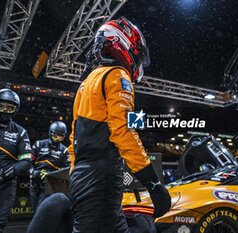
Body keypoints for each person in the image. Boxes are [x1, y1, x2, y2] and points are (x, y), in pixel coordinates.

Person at [68, 17, 171, 233]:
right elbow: (123, 132)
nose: (138, 60)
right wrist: (153, 183)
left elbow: (73, 141)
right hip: (101, 178)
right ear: (123, 43)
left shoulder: (86, 82)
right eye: (138, 53)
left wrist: (76, 175)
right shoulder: (117, 75)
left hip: (82, 177)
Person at [0, 88, 32, 233]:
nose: (5, 111)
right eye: (1, 106)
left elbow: (26, 161)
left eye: (10, 107)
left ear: (15, 110)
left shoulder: (20, 132)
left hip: (4, 186)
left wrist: (3, 173)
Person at [30, 121, 69, 210]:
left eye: (60, 137)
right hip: (35, 181)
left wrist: (50, 175)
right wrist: (34, 172)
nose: (57, 139)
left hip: (51, 184)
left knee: (42, 209)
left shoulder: (64, 151)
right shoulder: (38, 144)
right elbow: (28, 163)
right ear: (50, 133)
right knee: (35, 209)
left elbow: (67, 170)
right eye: (55, 136)